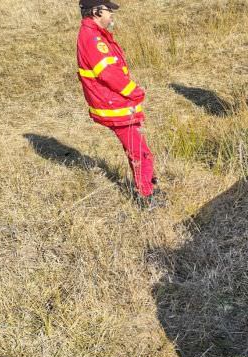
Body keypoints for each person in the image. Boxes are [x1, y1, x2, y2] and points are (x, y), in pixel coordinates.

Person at [76, 0, 160, 208]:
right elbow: (108, 74)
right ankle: (147, 197)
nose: (112, 14)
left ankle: (150, 184)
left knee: (138, 148)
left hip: (114, 102)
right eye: (108, 10)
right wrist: (134, 92)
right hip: (114, 104)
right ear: (96, 12)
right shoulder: (93, 38)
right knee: (139, 151)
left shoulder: (94, 34)